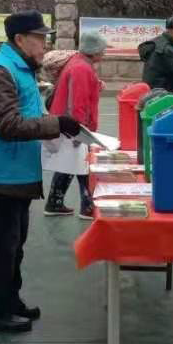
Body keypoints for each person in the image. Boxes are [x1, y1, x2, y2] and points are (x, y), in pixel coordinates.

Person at [0, 10, 80, 333]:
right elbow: (8, 125)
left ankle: (8, 300)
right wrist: (55, 124)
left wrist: (53, 123)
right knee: (4, 246)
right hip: (3, 173)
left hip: (17, 170)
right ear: (20, 40)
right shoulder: (1, 72)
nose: (44, 45)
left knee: (14, 244)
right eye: (40, 38)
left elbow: (28, 113)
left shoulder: (19, 69)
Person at [44, 32, 107, 220]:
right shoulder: (82, 68)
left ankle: (55, 202)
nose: (104, 53)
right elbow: (78, 103)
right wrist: (80, 131)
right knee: (82, 165)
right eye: (102, 50)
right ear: (94, 51)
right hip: (73, 126)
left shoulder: (77, 63)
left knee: (71, 163)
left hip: (65, 122)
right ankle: (87, 206)